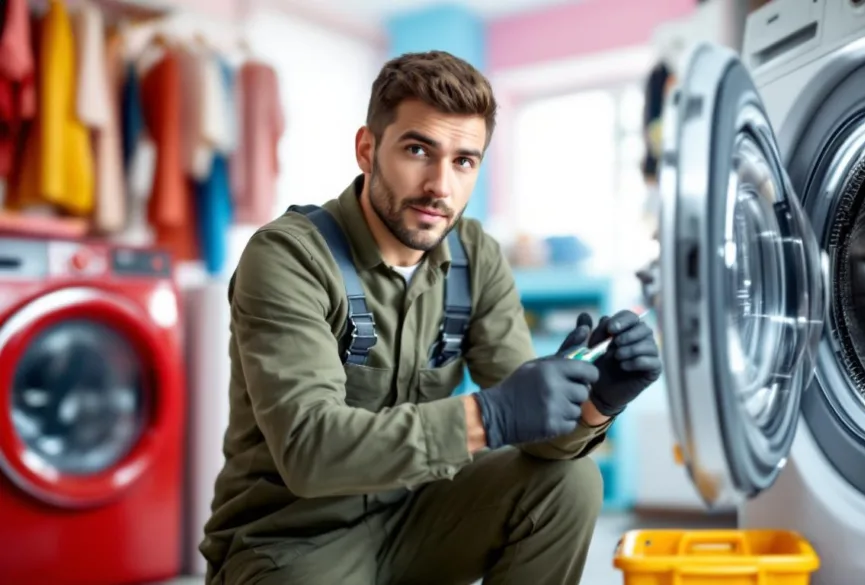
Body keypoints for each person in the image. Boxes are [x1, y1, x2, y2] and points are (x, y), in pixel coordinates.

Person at [200, 50, 663, 585]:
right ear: (368, 150)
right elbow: (309, 450)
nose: (441, 186)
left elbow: (535, 438)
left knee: (570, 482)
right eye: (419, 150)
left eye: (464, 160)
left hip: (418, 518)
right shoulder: (289, 257)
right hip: (292, 541)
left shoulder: (475, 255)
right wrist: (488, 416)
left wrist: (594, 403)